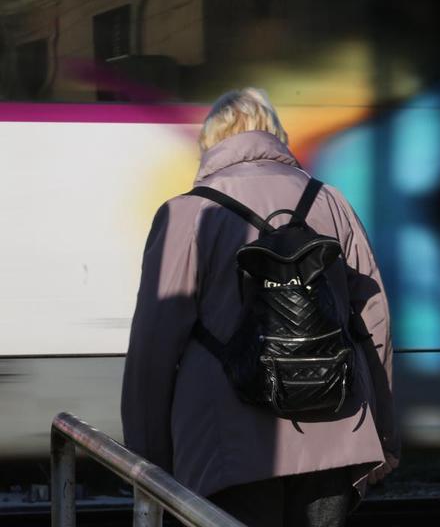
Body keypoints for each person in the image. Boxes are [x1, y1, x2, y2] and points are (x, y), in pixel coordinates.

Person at [122, 88, 399, 527]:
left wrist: (147, 459)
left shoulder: (187, 214)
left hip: (228, 442)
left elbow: (154, 349)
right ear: (276, 135)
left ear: (211, 142)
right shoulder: (331, 201)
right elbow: (374, 321)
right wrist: (381, 433)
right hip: (335, 427)